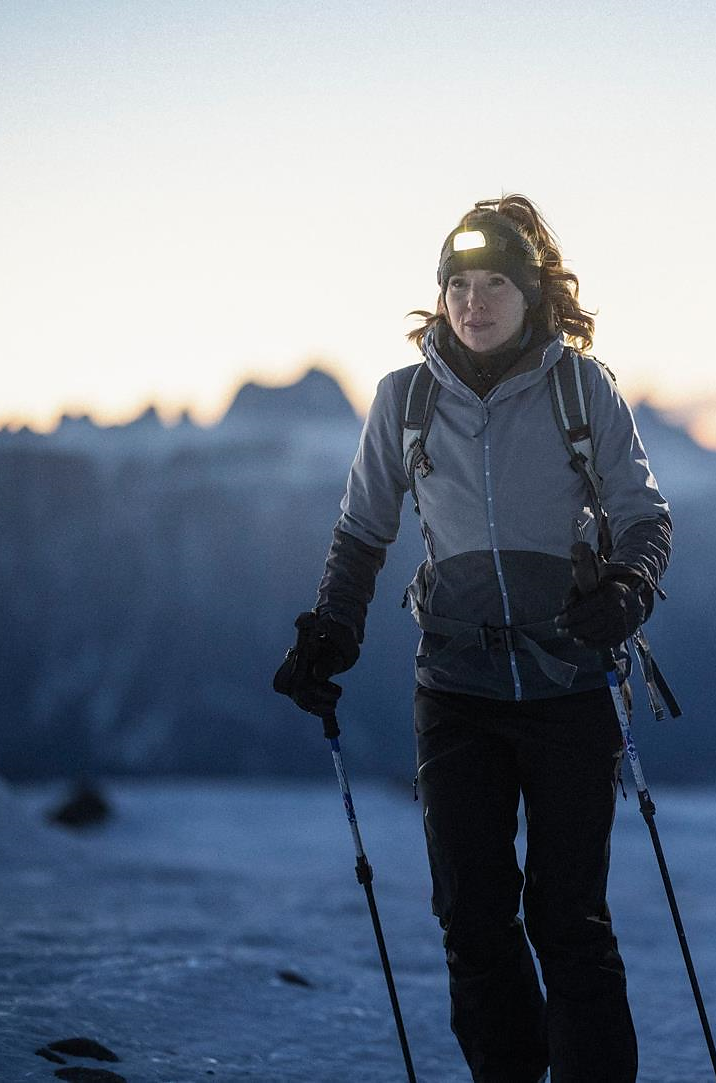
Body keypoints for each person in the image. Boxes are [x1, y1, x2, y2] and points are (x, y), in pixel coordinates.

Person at [274, 194, 671, 1083]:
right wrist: (332, 628)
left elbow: (645, 515)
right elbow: (362, 530)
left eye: (495, 283)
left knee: (568, 919)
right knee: (473, 916)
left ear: (534, 294)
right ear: (440, 295)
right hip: (455, 692)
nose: (474, 300)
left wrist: (629, 587)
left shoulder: (581, 388)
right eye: (459, 284)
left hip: (568, 688)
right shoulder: (404, 400)